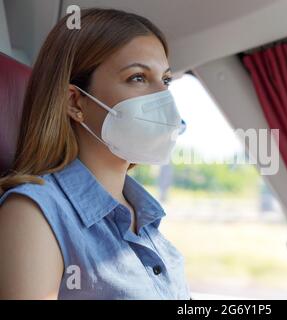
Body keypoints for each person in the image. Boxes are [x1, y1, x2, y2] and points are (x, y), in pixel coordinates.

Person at [0, 8, 190, 300]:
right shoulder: (32, 214)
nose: (162, 97)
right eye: (138, 78)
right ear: (75, 101)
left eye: (165, 80)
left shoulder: (144, 215)